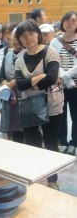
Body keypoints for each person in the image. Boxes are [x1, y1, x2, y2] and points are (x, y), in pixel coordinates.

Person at [15, 19, 64, 190]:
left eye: (31, 33)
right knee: (31, 142)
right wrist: (37, 79)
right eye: (23, 36)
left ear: (37, 33)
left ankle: (52, 179)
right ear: (19, 39)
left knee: (50, 143)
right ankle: (35, 177)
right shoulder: (19, 60)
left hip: (52, 105)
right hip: (30, 107)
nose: (28, 38)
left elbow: (51, 78)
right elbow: (19, 85)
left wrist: (30, 83)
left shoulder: (50, 52)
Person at [50, 11, 77, 155]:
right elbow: (54, 62)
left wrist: (67, 75)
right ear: (62, 23)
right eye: (67, 20)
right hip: (60, 83)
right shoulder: (55, 41)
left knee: (76, 114)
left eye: (73, 20)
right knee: (61, 112)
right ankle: (62, 141)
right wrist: (64, 77)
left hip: (75, 85)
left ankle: (74, 142)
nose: (70, 23)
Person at [0, 26, 26, 143]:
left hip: (25, 97)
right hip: (10, 98)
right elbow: (1, 77)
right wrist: (9, 92)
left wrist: (12, 86)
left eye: (19, 38)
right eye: (14, 37)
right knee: (13, 131)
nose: (15, 41)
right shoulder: (8, 55)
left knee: (27, 132)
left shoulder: (28, 55)